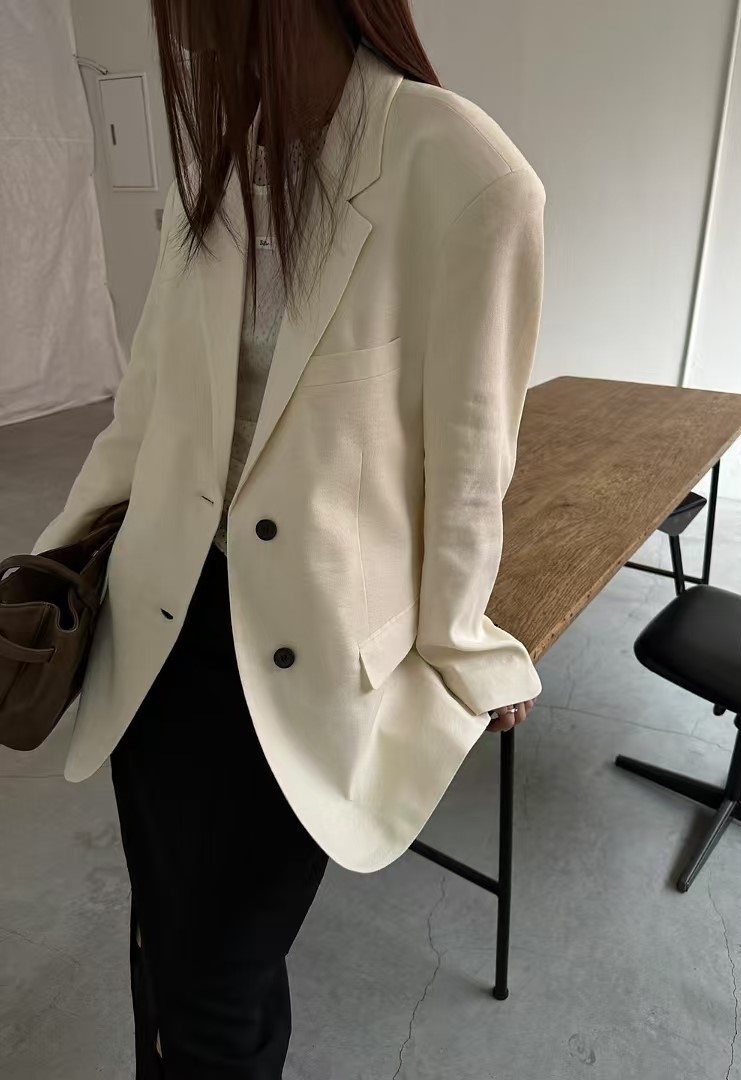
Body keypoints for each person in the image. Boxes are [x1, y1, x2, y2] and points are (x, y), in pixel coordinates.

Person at [31, 1, 545, 1075]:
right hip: (156, 632)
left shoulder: (466, 173)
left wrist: (462, 645)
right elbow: (144, 413)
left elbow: (469, 465)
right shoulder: (223, 161)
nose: (170, 23)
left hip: (307, 662)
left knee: (219, 987)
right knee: (166, 942)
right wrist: (44, 567)